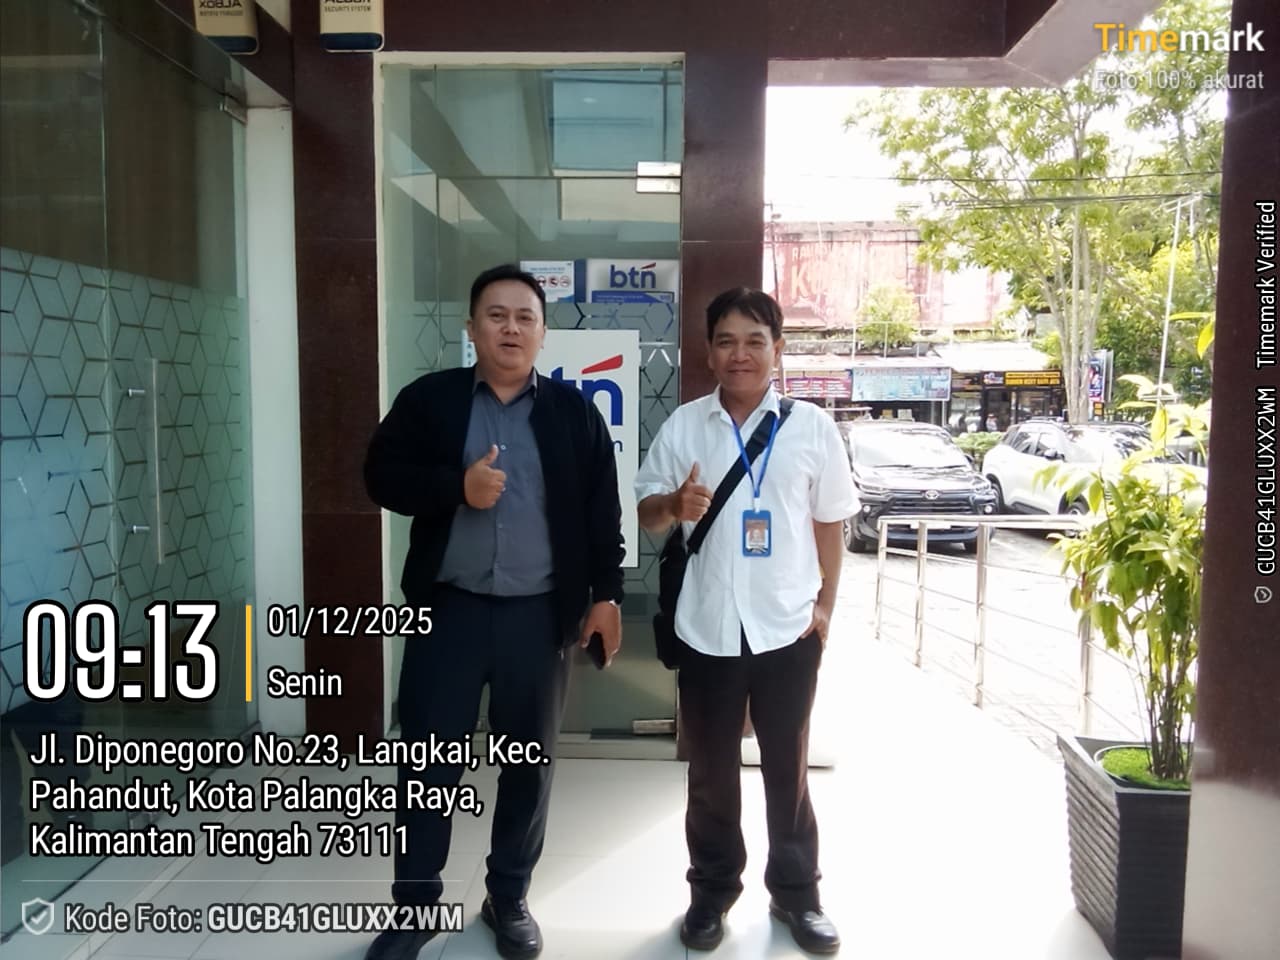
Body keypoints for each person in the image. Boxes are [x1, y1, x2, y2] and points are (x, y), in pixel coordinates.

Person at [363, 264, 625, 960]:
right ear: (472, 327)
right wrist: (457, 487)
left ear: (542, 333)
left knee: (528, 765)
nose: (511, 328)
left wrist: (606, 597)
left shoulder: (573, 414)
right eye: (497, 315)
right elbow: (380, 476)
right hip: (446, 614)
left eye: (525, 317)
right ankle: (414, 909)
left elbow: (602, 513)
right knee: (427, 765)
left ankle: (508, 897)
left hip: (538, 618)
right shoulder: (431, 400)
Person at [634, 288, 858, 955]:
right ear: (709, 353)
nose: (740, 354)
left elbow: (829, 523)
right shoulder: (686, 426)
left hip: (787, 628)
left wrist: (825, 607)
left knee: (788, 770)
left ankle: (798, 895)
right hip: (707, 629)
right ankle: (710, 894)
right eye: (726, 341)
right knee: (710, 774)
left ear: (777, 350)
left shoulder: (811, 427)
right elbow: (646, 514)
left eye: (755, 341)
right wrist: (674, 504)